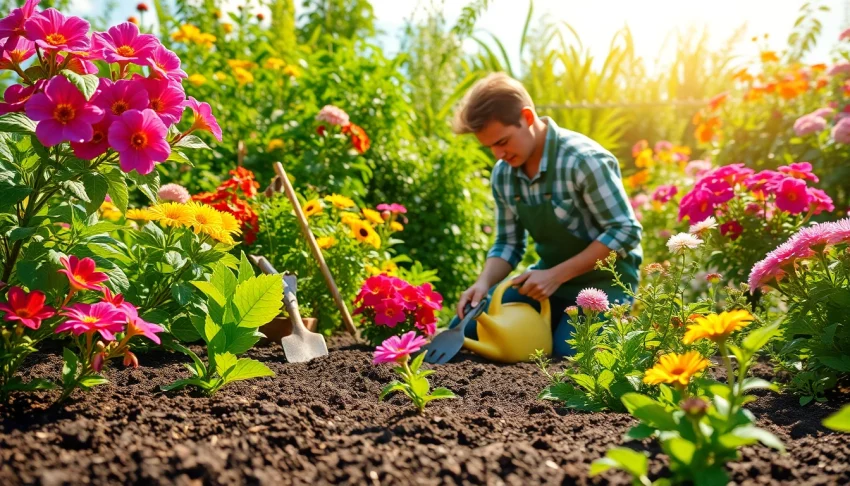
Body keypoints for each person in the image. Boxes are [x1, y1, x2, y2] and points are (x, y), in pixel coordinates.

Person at [449, 72, 643, 356]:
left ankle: (609, 326)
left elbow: (625, 231)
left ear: (527, 118)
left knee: (573, 352)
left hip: (605, 282)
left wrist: (555, 275)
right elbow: (508, 244)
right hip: (546, 282)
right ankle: (551, 326)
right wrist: (483, 283)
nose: (497, 154)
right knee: (467, 327)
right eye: (489, 146)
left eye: (502, 141)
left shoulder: (584, 160)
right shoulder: (504, 175)